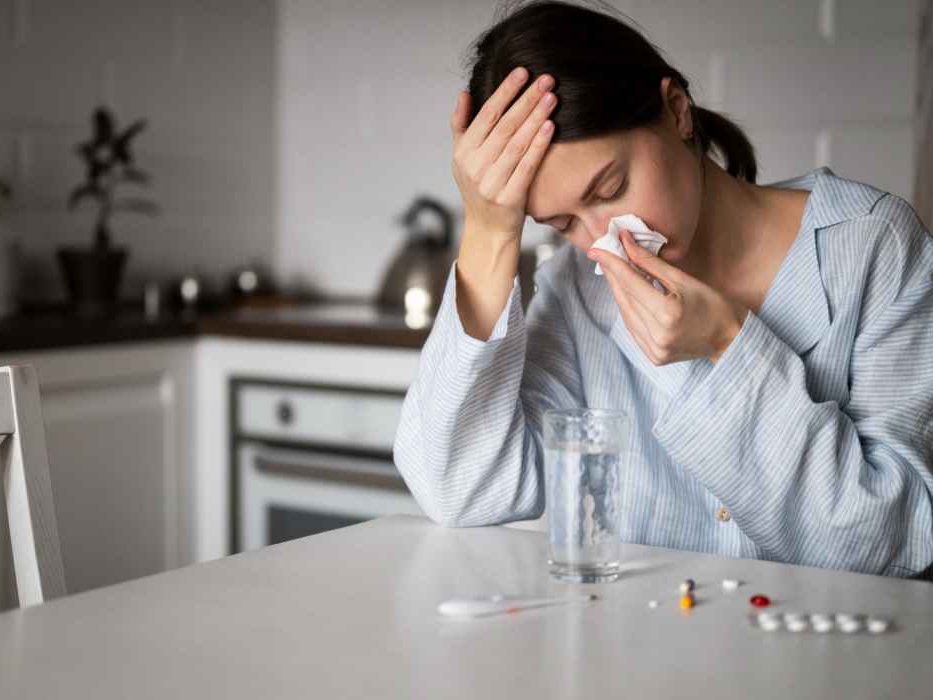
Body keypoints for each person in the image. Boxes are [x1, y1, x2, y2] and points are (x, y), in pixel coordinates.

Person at [392, 0, 933, 579]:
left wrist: (728, 345)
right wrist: (489, 229)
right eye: (564, 224)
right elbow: (461, 489)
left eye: (611, 188)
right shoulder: (575, 291)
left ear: (677, 111)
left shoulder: (874, 248)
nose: (608, 240)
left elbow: (893, 544)